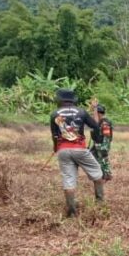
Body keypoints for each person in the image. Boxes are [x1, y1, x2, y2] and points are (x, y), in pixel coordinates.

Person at [50, 89, 103, 217]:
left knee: (69, 181)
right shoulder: (81, 111)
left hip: (63, 150)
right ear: (73, 100)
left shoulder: (54, 114)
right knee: (98, 174)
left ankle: (72, 212)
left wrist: (56, 148)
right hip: (80, 149)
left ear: (60, 100)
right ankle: (100, 203)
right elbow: (95, 125)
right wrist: (95, 110)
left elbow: (54, 135)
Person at [89, 103, 113, 181]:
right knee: (92, 157)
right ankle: (100, 174)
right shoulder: (98, 122)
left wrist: (103, 148)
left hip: (102, 144)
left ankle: (107, 175)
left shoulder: (105, 123)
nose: (93, 115)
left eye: (94, 113)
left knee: (103, 160)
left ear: (99, 113)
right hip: (96, 144)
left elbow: (106, 137)